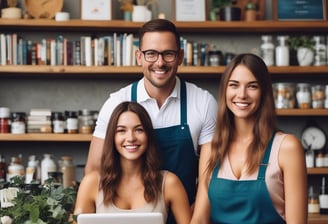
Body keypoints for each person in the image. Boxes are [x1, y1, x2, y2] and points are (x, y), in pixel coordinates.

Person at [84, 18, 218, 208]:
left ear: (180, 56)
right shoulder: (116, 103)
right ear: (139, 57)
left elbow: (209, 178)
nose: (160, 62)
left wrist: (195, 219)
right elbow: (94, 170)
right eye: (151, 54)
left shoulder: (203, 102)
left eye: (168, 54)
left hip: (184, 215)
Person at [190, 53, 307, 224]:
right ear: (225, 90)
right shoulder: (211, 148)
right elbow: (200, 219)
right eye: (234, 85)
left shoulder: (286, 147)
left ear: (264, 92)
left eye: (252, 86)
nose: (242, 94)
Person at [74, 102, 191, 224]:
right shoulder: (91, 183)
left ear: (148, 136)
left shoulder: (169, 183)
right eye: (121, 130)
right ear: (112, 137)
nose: (131, 138)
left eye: (139, 130)